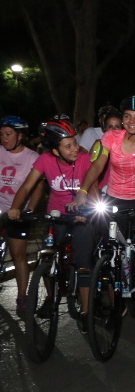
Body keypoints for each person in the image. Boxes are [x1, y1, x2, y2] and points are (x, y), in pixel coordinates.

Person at [69, 96, 135, 328]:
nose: (132, 121)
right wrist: (82, 191)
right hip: (114, 199)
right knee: (111, 253)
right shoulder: (111, 137)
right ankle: (116, 306)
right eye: (127, 116)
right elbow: (97, 165)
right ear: (122, 119)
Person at [8, 119, 95, 328]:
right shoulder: (45, 160)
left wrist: (87, 211)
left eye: (74, 143)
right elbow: (27, 185)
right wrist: (15, 207)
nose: (75, 148)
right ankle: (50, 295)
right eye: (68, 146)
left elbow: (94, 190)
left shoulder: (84, 159)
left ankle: (86, 313)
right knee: (46, 258)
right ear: (55, 151)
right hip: (56, 215)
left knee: (83, 263)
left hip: (82, 215)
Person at [0, 115, 42, 314]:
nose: (4, 138)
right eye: (1, 134)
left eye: (8, 134)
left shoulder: (32, 157)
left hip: (17, 213)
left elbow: (38, 187)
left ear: (20, 136)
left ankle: (22, 296)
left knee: (18, 254)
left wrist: (30, 209)